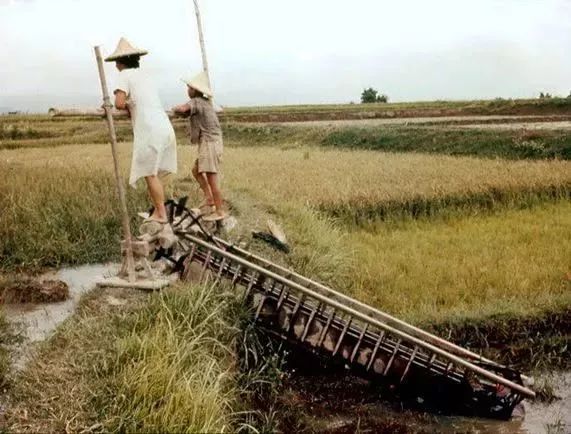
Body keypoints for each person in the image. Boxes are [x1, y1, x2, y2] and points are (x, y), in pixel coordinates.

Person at [105, 37, 177, 224]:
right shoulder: (145, 76)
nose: (116, 66)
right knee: (154, 171)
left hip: (149, 129)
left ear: (120, 62)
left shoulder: (124, 76)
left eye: (116, 63)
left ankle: (160, 213)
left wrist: (127, 104)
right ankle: (161, 210)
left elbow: (119, 103)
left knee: (149, 172)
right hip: (163, 125)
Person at [172, 71, 226, 221]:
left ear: (195, 90)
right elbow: (189, 113)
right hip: (211, 142)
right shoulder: (205, 102)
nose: (187, 90)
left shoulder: (196, 101)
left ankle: (220, 211)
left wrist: (174, 108)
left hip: (209, 143)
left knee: (211, 177)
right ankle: (209, 198)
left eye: (189, 88)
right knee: (196, 170)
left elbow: (182, 109)